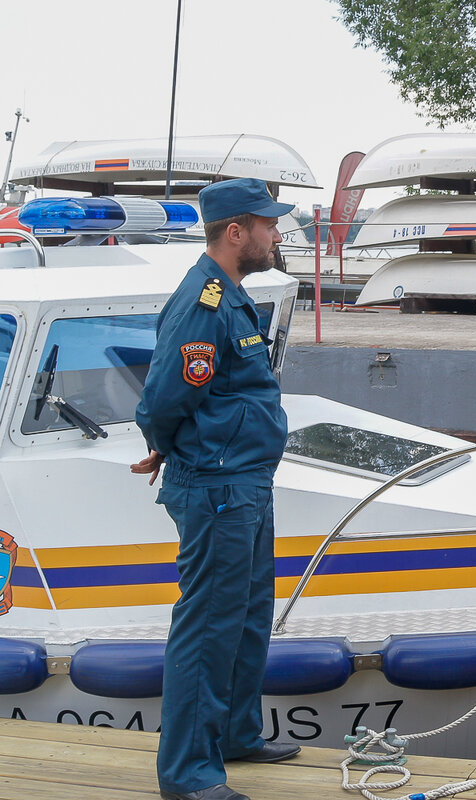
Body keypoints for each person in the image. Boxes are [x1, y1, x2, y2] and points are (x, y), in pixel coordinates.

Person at [131, 178, 300, 800]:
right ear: (237, 232)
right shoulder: (205, 301)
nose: (277, 234)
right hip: (219, 485)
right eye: (269, 224)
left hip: (247, 479)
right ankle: (190, 774)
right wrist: (170, 445)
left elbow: (216, 391)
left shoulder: (230, 296)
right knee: (208, 626)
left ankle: (235, 733)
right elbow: (165, 397)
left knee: (250, 615)